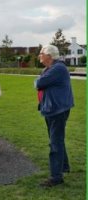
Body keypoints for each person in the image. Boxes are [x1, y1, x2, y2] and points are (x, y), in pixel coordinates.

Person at [34, 45, 74, 187]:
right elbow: (41, 83)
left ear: (49, 56)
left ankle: (56, 177)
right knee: (56, 139)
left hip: (57, 110)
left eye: (41, 54)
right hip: (52, 109)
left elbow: (39, 82)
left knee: (55, 142)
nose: (39, 56)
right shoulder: (50, 68)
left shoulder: (58, 68)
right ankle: (64, 166)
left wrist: (39, 82)